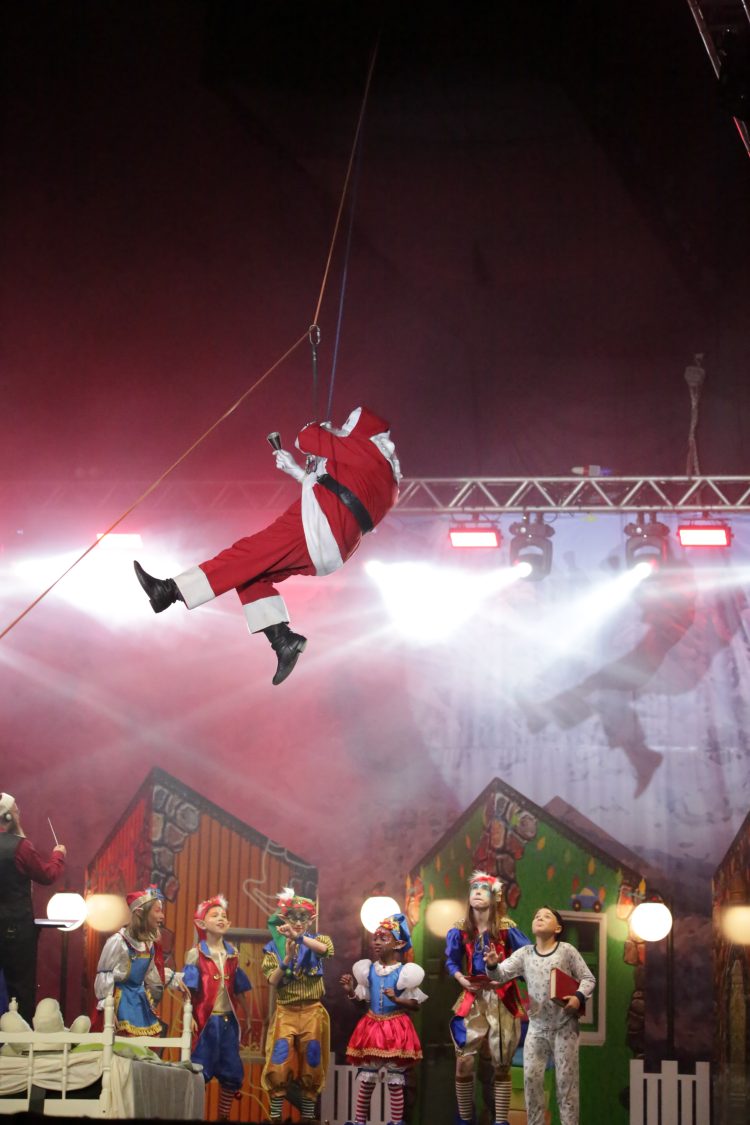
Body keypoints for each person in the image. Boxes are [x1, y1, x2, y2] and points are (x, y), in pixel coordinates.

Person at [133, 406, 401, 685]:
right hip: (331, 541)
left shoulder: (374, 453)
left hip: (320, 525)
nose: (343, 428)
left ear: (363, 429)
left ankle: (170, 591)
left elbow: (306, 438)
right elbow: (343, 492)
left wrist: (321, 429)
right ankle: (282, 640)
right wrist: (297, 472)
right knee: (250, 576)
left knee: (245, 555)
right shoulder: (382, 475)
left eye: (348, 424)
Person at [485, 906, 596, 1125]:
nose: (540, 918)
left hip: (564, 1027)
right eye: (536, 916)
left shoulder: (566, 950)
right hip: (536, 1028)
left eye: (546, 916)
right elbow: (500, 975)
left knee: (566, 1084)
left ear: (558, 928)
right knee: (531, 1080)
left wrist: (578, 997)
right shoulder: (525, 954)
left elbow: (588, 978)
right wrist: (492, 964)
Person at [445, 871, 530, 1125]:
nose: (478, 892)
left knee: (501, 1064)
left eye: (484, 889)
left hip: (502, 996)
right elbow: (451, 961)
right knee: (463, 1061)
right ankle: (464, 1119)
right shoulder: (460, 930)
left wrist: (503, 977)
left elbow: (525, 959)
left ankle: (500, 1121)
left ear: (495, 897)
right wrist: (460, 979)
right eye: (474, 889)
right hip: (473, 996)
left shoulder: (506, 929)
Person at [340, 913, 427, 1125]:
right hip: (371, 1028)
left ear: (398, 944)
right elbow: (361, 1004)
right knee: (367, 1078)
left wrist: (396, 999)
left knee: (394, 1081)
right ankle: (359, 1121)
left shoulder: (405, 973)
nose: (377, 942)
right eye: (375, 938)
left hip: (395, 1028)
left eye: (383, 938)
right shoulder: (367, 970)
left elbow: (415, 1005)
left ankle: (396, 1122)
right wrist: (351, 991)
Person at [261, 888, 334, 1123]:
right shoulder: (274, 947)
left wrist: (299, 938)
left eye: (304, 917)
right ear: (285, 918)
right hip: (286, 1011)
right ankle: (275, 1116)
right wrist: (286, 958)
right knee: (279, 1058)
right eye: (294, 917)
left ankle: (308, 1116)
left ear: (311, 920)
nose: (299, 922)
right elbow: (272, 980)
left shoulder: (319, 940)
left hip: (312, 1011)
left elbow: (326, 951)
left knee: (312, 1060)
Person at [181, 895, 252, 1121]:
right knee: (200, 1067)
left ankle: (223, 1116)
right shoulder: (196, 954)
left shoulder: (233, 954)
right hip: (206, 1022)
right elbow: (188, 989)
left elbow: (238, 988)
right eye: (215, 915)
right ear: (202, 923)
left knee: (231, 1068)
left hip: (228, 1021)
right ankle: (196, 1114)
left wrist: (247, 1015)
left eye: (224, 915)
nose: (221, 918)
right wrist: (189, 1015)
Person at [0, 792, 66, 1021]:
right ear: (10, 816)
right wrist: (58, 855)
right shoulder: (21, 847)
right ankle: (19, 1035)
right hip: (16, 930)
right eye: (16, 810)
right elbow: (47, 875)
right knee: (20, 988)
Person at [94, 884, 167, 1036]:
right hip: (120, 1002)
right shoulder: (118, 942)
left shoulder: (148, 944)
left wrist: (175, 980)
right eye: (157, 911)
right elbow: (104, 975)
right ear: (140, 913)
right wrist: (108, 1008)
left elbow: (151, 973)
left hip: (139, 1001)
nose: (162, 916)